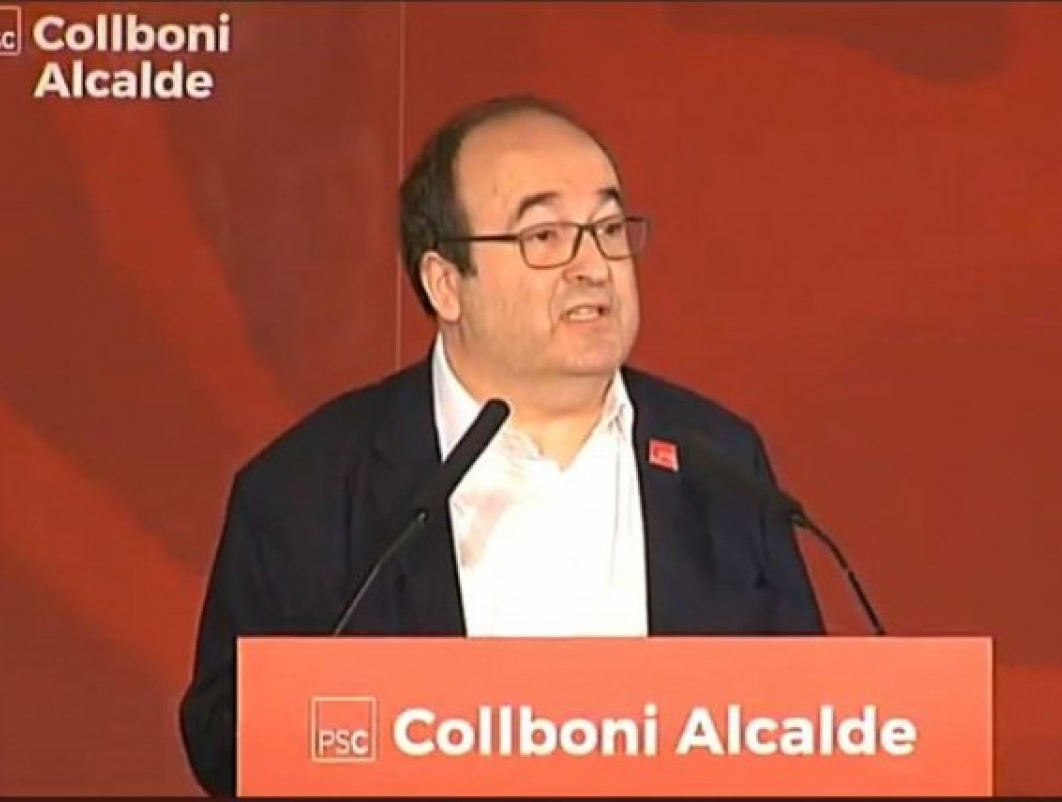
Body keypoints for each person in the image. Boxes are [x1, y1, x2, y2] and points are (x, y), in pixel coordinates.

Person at [178, 94, 825, 797]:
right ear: (445, 284)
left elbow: (808, 726)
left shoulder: (718, 459)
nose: (593, 265)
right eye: (543, 237)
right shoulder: (307, 489)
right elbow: (225, 742)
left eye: (609, 228)